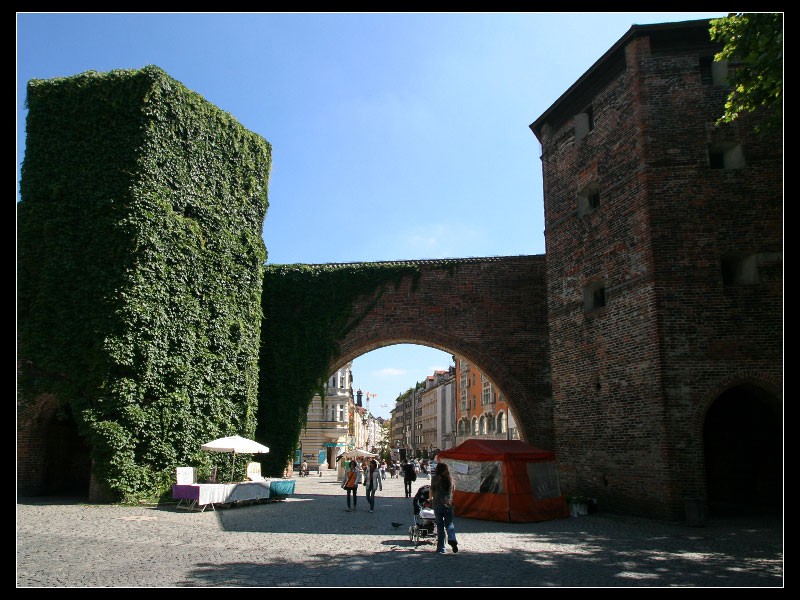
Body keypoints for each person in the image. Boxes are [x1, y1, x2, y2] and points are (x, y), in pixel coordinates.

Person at [429, 462, 458, 554]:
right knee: (449, 524)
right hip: (448, 504)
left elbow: (431, 491)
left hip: (437, 504)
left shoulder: (435, 479)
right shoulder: (451, 479)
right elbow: (453, 490)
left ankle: (441, 548)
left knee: (440, 526)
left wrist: (430, 499)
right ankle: (452, 538)